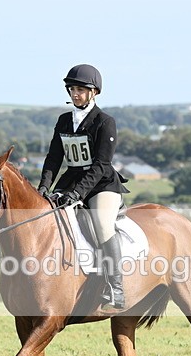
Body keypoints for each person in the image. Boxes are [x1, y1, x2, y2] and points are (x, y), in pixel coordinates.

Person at [37, 64, 129, 311]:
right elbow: (54, 158)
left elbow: (101, 164)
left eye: (80, 89)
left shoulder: (104, 122)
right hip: (70, 183)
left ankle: (116, 288)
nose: (75, 94)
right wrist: (44, 187)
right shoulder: (64, 121)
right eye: (72, 89)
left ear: (94, 92)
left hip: (101, 185)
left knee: (101, 225)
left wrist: (78, 194)